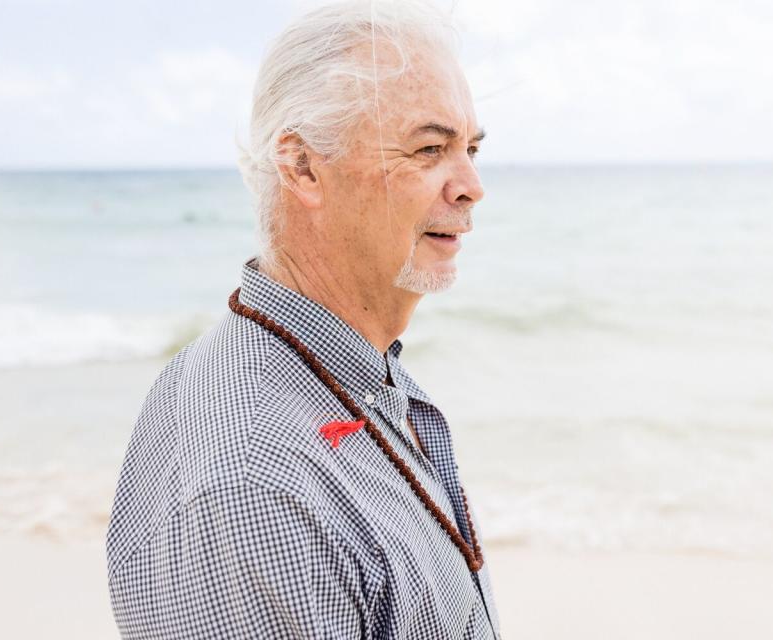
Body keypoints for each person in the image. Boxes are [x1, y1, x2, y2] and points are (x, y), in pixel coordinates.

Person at [105, 1, 500, 638]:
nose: (472, 184)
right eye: (430, 149)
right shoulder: (257, 485)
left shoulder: (342, 374)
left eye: (471, 149)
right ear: (303, 167)